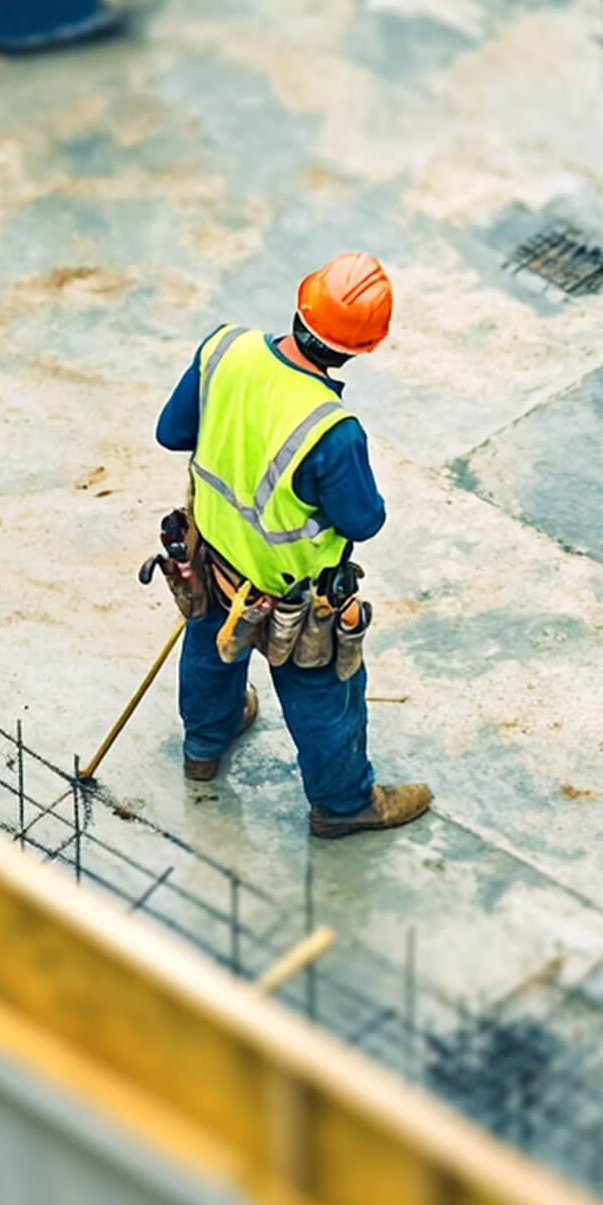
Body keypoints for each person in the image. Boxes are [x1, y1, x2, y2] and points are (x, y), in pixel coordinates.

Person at [154, 253, 432, 839]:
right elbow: (363, 519)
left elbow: (172, 431)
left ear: (301, 305)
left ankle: (205, 744)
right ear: (361, 347)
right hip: (292, 597)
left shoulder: (223, 348)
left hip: (212, 563)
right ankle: (343, 804)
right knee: (324, 696)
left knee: (209, 653)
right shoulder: (332, 430)